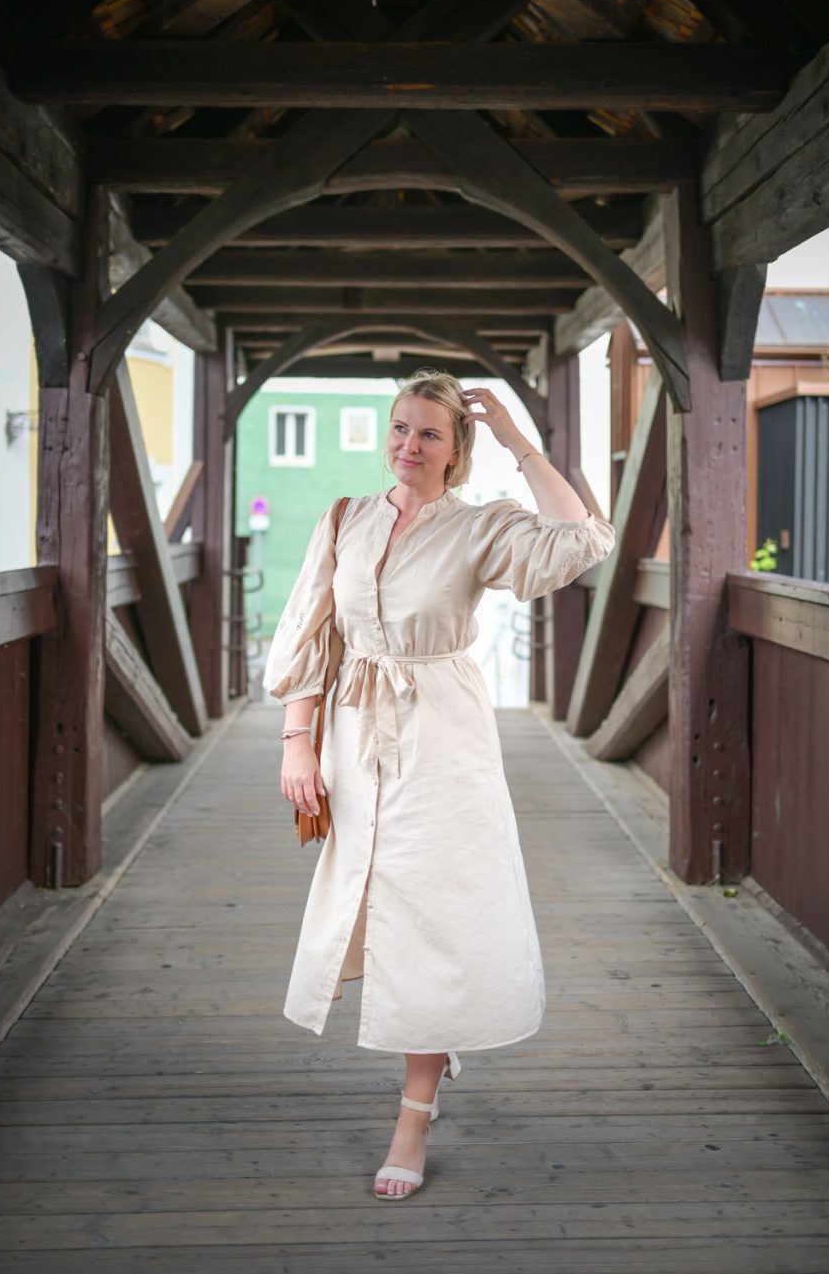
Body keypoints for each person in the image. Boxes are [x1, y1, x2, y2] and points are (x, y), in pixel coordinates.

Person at [262, 369, 616, 1200]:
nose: (407, 445)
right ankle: (433, 1039)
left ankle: (412, 1113)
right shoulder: (346, 518)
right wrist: (297, 743)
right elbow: (309, 630)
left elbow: (581, 538)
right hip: (355, 737)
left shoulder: (478, 527)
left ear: (455, 451)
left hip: (444, 738)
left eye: (427, 433)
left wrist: (519, 443)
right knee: (374, 894)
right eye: (398, 428)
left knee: (432, 907)